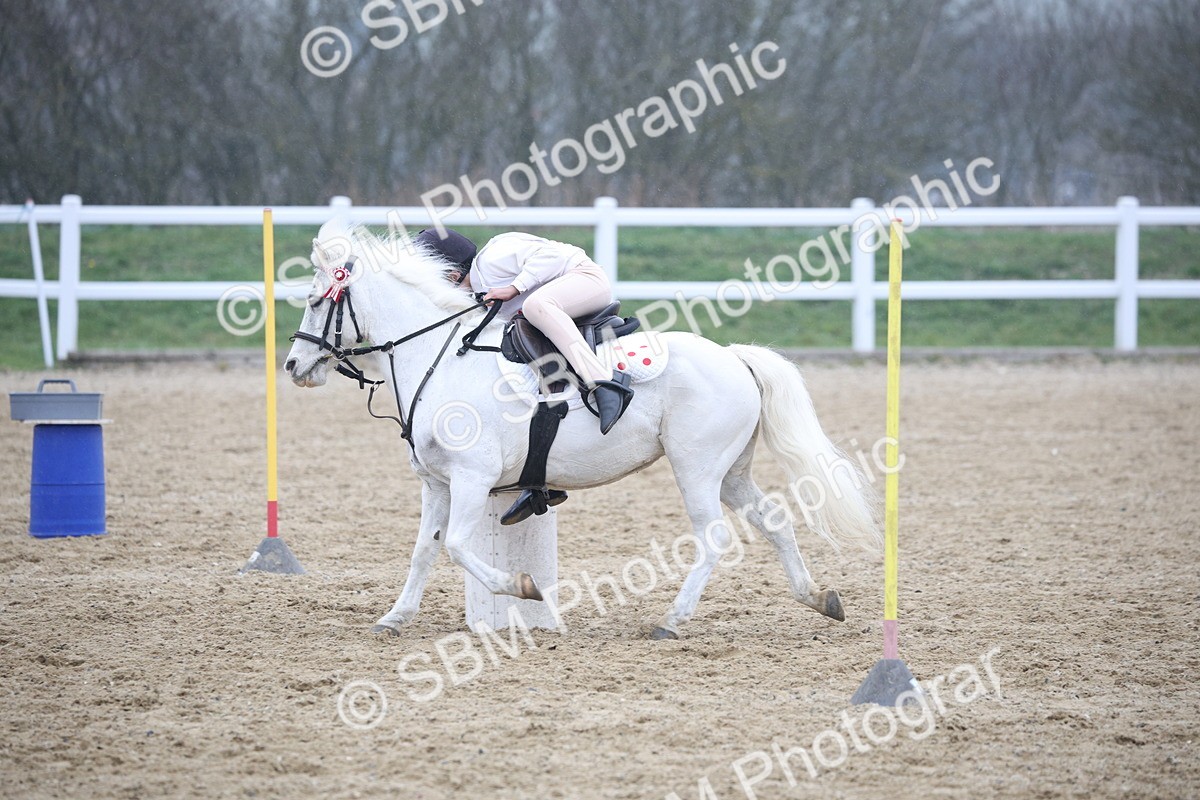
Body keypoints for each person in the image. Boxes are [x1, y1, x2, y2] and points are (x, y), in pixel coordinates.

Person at [414, 228, 634, 434]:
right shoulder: (479, 296)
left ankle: (605, 384)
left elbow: (553, 256)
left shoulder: (492, 257)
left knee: (534, 306)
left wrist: (514, 288)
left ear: (452, 276)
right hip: (561, 301)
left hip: (586, 279)